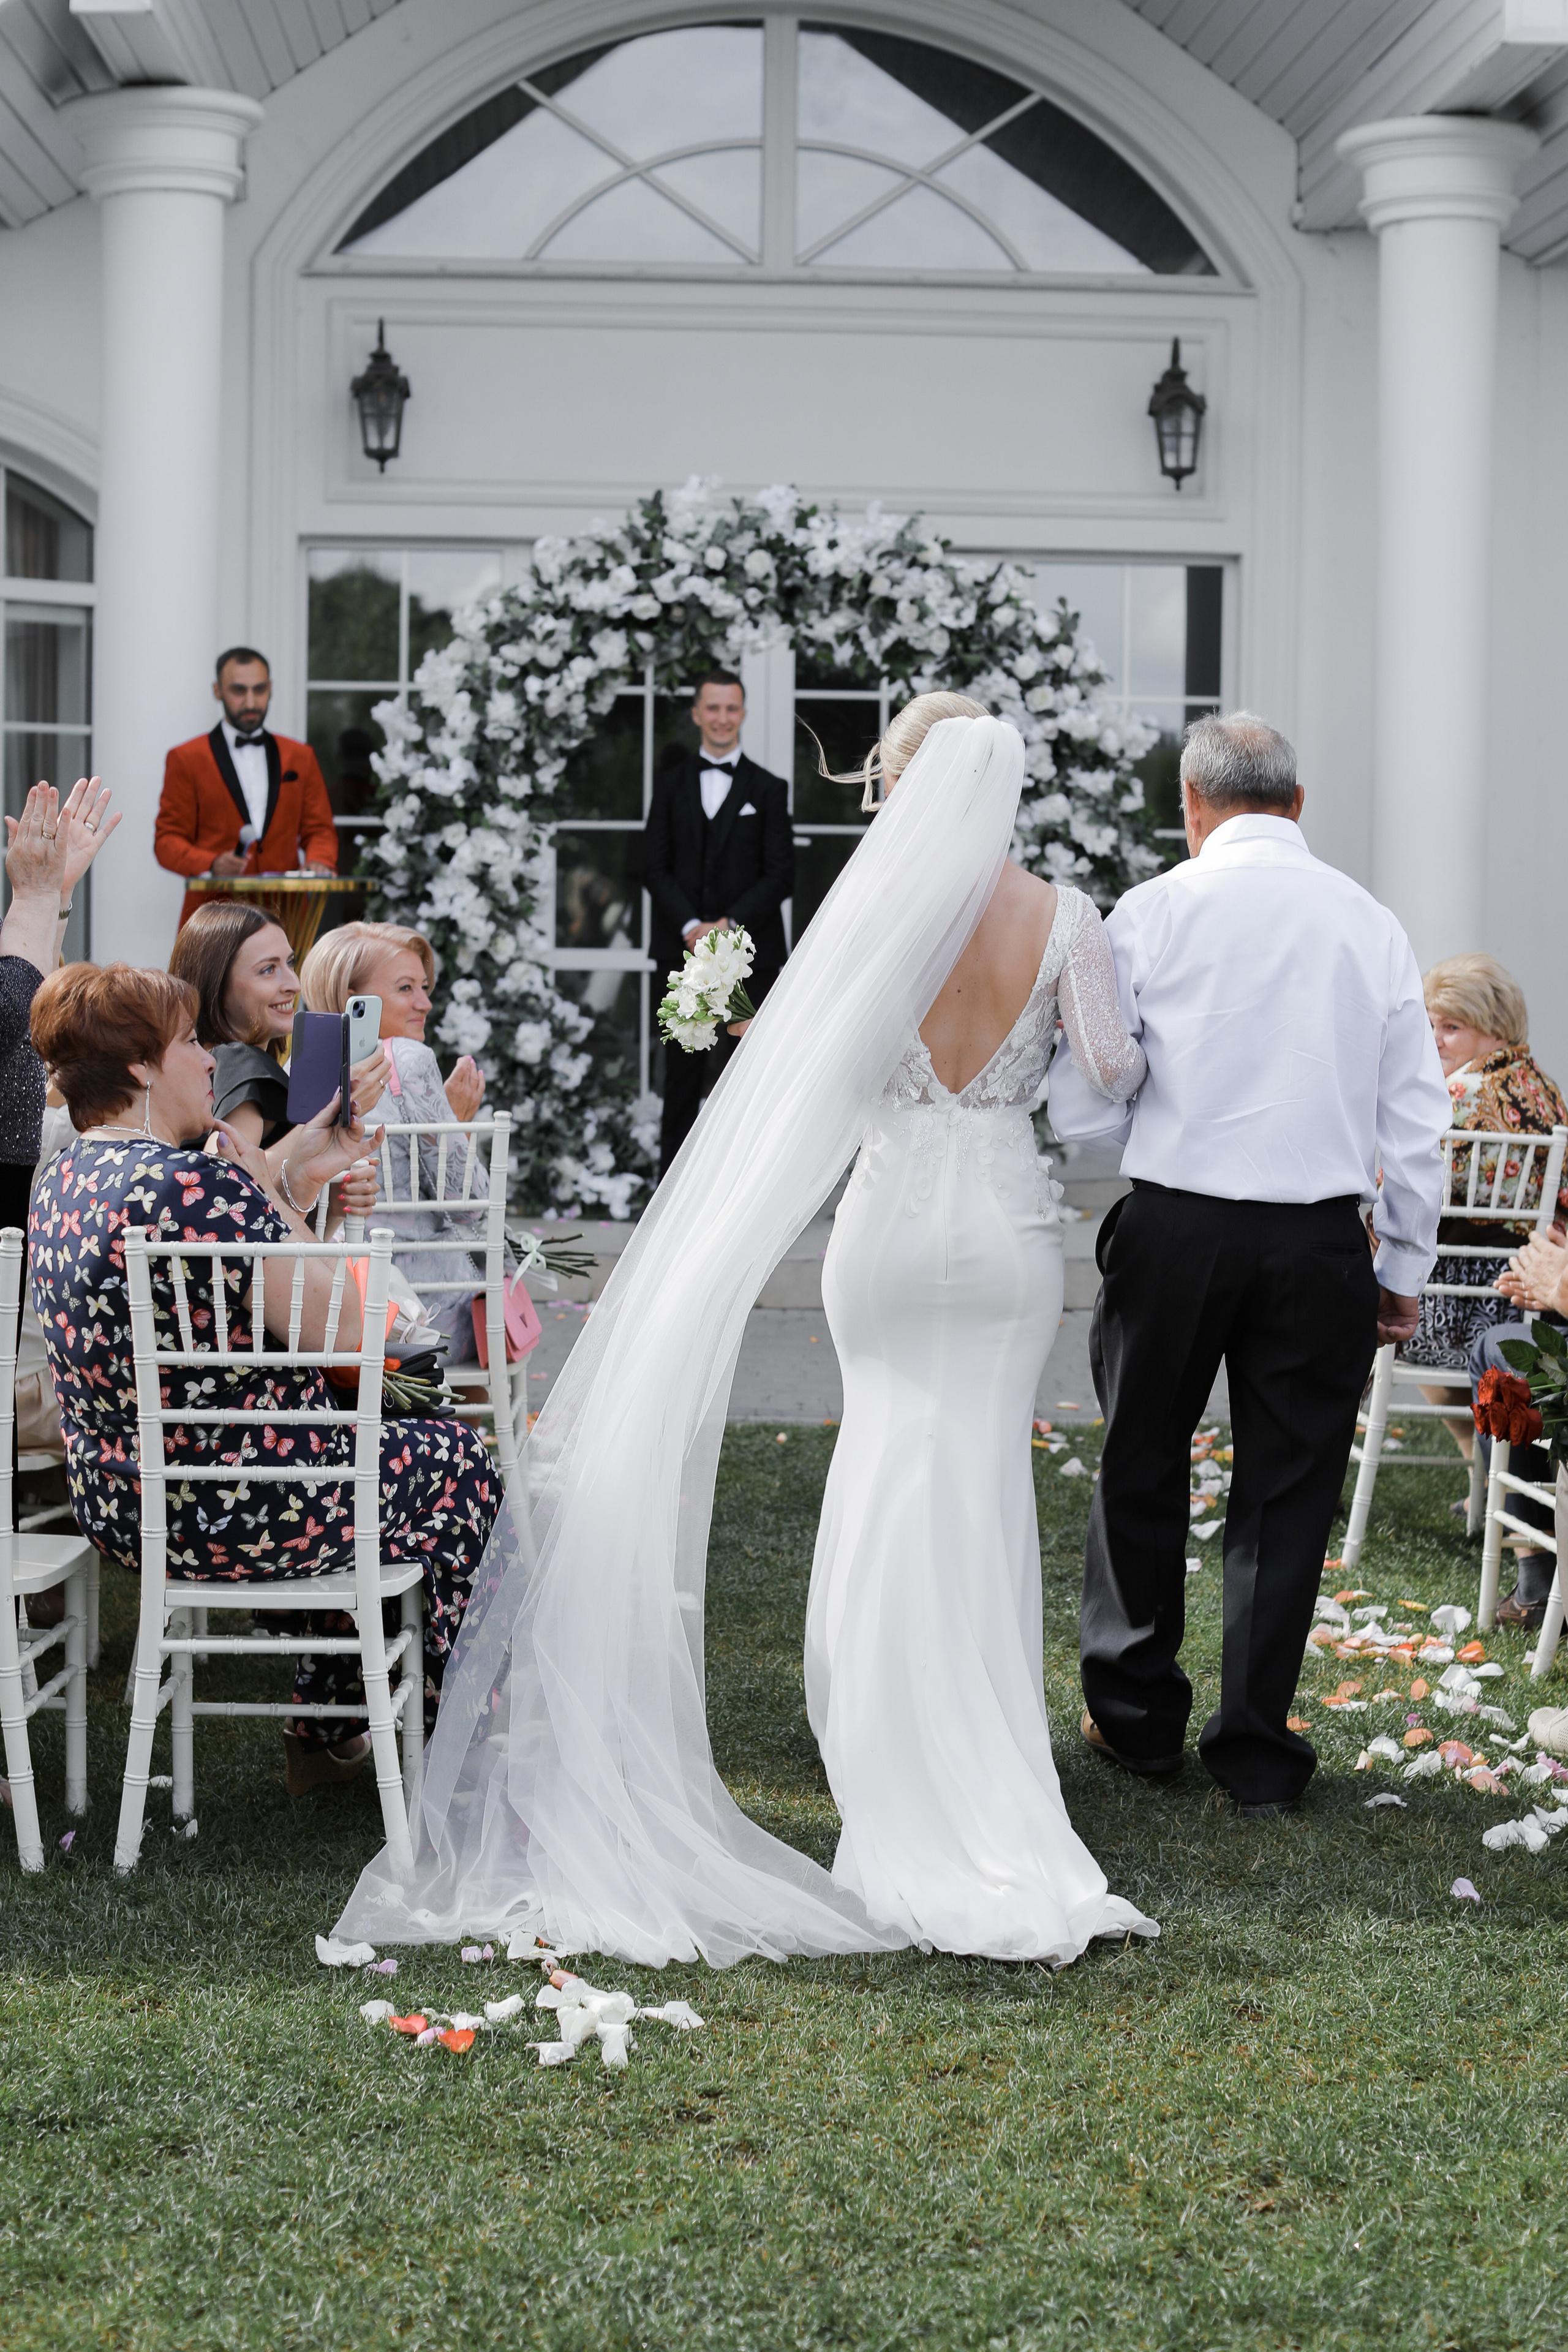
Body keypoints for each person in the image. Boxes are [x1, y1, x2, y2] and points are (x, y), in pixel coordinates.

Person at [333, 703, 1156, 1968]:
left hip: (883, 1234)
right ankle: (985, 1759)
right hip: (997, 1228)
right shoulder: (1068, 918)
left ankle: (884, 1751)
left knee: (883, 1460)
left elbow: (807, 1073)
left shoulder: (879, 912)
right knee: (975, 1472)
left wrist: (736, 1029)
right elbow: (1109, 1067)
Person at [1049, 712, 1451, 1819]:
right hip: (1319, 1235)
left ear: (1190, 805)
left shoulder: (1152, 912)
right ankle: (1258, 1746)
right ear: (1299, 804)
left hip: (1174, 1224)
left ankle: (1133, 1724)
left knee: (1142, 1459)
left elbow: (1086, 1097)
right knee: (1287, 1490)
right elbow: (1417, 1115)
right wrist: (1405, 1262)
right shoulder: (1369, 925)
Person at [27, 962, 500, 1796]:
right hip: (249, 1502)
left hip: (127, 1505)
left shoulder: (65, 1180)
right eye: (188, 1043)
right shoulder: (194, 1183)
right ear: (140, 1067)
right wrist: (260, 1188)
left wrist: (293, 1165)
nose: (210, 1060)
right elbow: (352, 1334)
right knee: (458, 1463)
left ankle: (328, 1732)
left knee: (363, 1463)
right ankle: (464, 1744)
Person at [298, 921, 487, 1363]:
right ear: (353, 999)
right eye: (406, 988)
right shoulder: (407, 1059)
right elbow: (469, 1201)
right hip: (418, 1306)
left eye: (424, 986)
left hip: (324, 1303)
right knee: (490, 1307)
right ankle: (465, 1434)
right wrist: (456, 1126)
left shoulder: (300, 1065)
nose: (425, 1002)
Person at [643, 669, 793, 1177]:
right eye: (713, 708)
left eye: (732, 709)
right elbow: (653, 866)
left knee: (745, 1080)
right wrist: (691, 924)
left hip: (751, 959)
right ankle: (669, 1197)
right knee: (680, 1079)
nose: (723, 718)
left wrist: (726, 925)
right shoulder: (668, 787)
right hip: (680, 954)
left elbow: (781, 875)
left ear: (743, 714)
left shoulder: (770, 790)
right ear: (696, 714)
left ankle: (740, 1191)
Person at [1402, 952, 1567, 1394]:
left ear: (1495, 1030)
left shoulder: (1453, 1096)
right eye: (1430, 1025)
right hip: (1534, 1300)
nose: (1434, 1040)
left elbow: (1402, 1195)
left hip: (1451, 1307)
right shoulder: (1546, 1091)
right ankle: (1476, 1464)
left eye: (1451, 1028)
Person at [168, 898, 388, 1209]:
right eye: (269, 970)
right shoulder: (238, 1061)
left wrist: (336, 1206)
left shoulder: (211, 1062)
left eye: (291, 963)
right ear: (218, 983)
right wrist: (333, 1113)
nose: (294, 984)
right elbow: (224, 1181)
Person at [155, 647, 337, 932]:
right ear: (217, 691)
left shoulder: (301, 756)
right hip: (212, 920)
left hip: (286, 917)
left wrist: (319, 861)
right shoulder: (186, 758)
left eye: (260, 690)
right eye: (239, 691)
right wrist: (212, 863)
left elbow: (320, 830)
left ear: (271, 689)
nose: (251, 702)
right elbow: (167, 842)